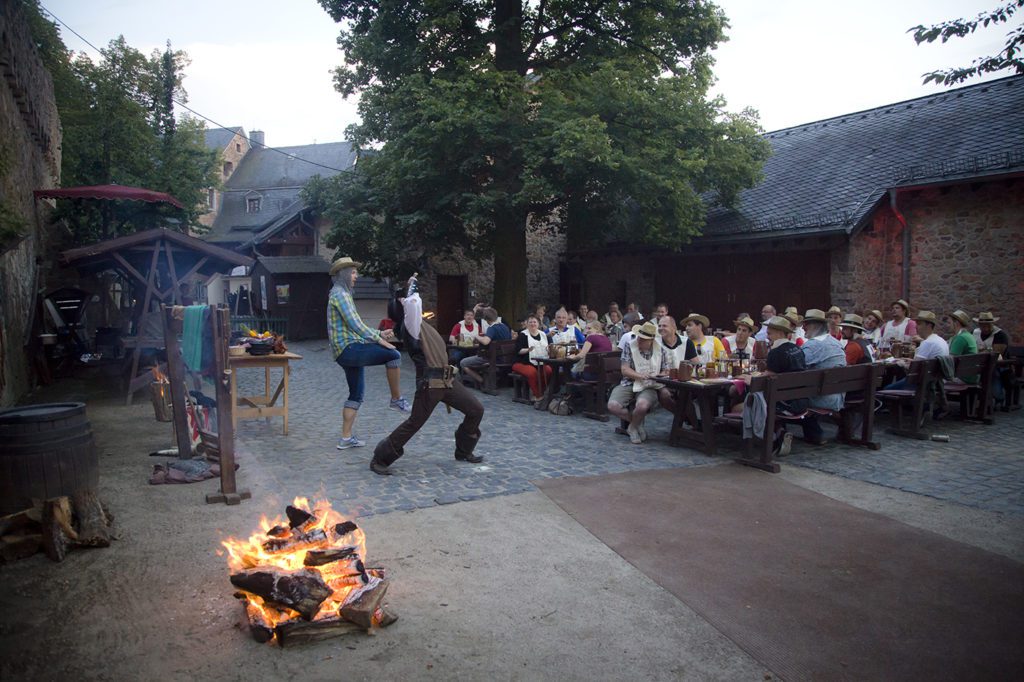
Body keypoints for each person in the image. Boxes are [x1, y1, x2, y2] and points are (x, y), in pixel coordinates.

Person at [369, 276, 484, 475]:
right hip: (430, 385)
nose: (408, 302)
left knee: (476, 410)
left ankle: (464, 451)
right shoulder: (410, 326)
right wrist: (411, 285)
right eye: (402, 302)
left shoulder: (420, 325)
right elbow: (413, 303)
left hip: (447, 381)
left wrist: (410, 289)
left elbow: (413, 305)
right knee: (414, 422)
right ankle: (381, 457)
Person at [327, 257, 411, 451]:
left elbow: (356, 326)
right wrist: (380, 340)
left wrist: (379, 333)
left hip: (347, 350)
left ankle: (346, 439)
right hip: (349, 349)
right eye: (354, 273)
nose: (356, 276)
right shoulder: (340, 295)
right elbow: (356, 325)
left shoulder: (340, 293)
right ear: (345, 274)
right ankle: (396, 400)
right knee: (394, 356)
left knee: (356, 395)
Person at [741, 315, 806, 456]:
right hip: (800, 400)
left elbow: (768, 377)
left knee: (745, 403)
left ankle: (769, 437)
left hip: (784, 404)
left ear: (779, 332)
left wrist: (750, 379)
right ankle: (779, 433)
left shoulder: (776, 352)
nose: (767, 337)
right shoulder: (798, 349)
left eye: (769, 333)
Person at [606, 321, 671, 445]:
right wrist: (640, 375)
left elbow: (666, 370)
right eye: (639, 337)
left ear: (651, 340)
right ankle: (636, 423)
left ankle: (632, 427)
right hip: (629, 382)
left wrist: (658, 375)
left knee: (642, 405)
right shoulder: (630, 346)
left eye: (643, 339)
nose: (639, 341)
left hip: (649, 385)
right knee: (612, 405)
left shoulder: (660, 350)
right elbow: (624, 369)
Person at [798, 309, 847, 445]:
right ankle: (814, 433)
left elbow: (794, 371)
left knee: (783, 394)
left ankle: (779, 432)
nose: (803, 328)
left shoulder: (812, 346)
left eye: (806, 324)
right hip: (837, 396)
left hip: (821, 397)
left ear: (815, 326)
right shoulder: (837, 343)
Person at [459, 308, 512, 385]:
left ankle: (482, 381)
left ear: (486, 319)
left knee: (463, 363)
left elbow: (485, 341)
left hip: (493, 359)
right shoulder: (504, 326)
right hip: (506, 357)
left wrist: (476, 336)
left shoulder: (492, 328)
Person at [973, 311, 1011, 407]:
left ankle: (998, 396)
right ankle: (976, 397)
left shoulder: (1000, 335)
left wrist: (980, 350)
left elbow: (996, 353)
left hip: (999, 364)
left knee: (992, 372)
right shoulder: (975, 333)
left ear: (992, 324)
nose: (985, 327)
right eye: (983, 325)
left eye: (987, 325)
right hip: (978, 363)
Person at [512, 315, 553, 401]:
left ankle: (543, 391)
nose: (532, 324)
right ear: (527, 324)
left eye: (534, 322)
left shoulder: (543, 335)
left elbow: (549, 348)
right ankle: (536, 395)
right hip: (522, 362)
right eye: (530, 322)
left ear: (538, 324)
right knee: (532, 372)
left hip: (540, 362)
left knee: (548, 370)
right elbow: (518, 351)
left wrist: (549, 350)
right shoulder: (523, 335)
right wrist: (528, 350)